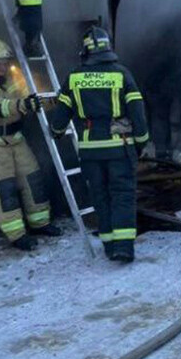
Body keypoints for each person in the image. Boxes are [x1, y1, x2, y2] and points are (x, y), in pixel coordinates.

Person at [50, 26, 149, 263]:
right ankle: (124, 247)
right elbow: (137, 113)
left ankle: (109, 245)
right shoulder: (122, 74)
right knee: (122, 195)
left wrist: (56, 132)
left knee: (100, 196)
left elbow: (59, 120)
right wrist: (141, 141)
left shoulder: (74, 77)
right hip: (119, 148)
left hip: (90, 152)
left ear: (85, 51)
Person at [0, 38, 61, 251]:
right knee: (4, 189)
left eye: (5, 62)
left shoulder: (12, 80)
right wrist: (21, 104)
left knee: (33, 179)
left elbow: (32, 98)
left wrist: (53, 99)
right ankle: (17, 235)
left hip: (15, 138)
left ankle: (40, 223)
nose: (2, 67)